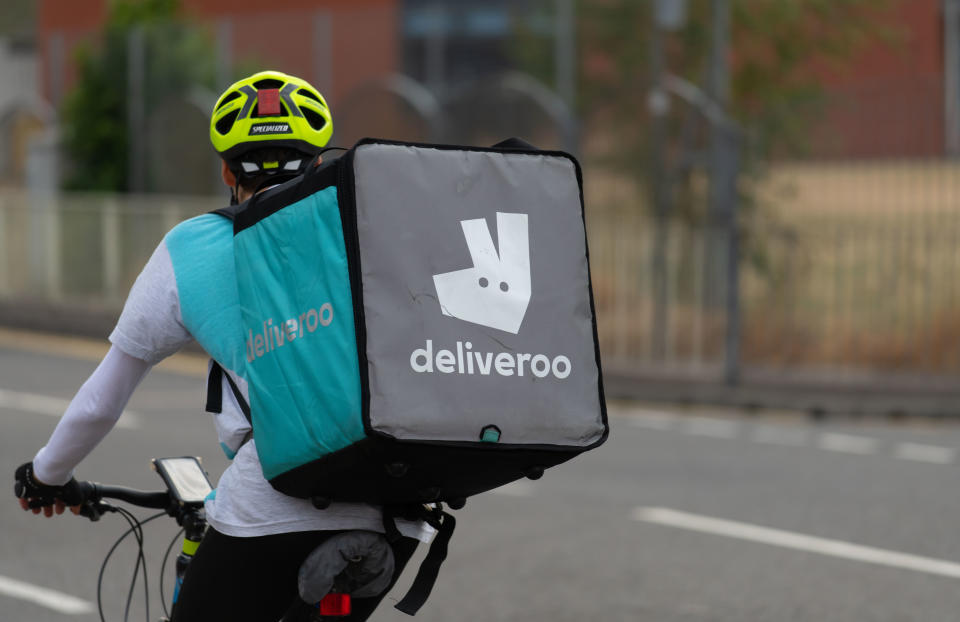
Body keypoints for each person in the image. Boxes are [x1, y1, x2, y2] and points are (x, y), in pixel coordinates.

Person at [13, 70, 426, 621]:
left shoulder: (192, 247)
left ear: (228, 170)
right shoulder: (372, 222)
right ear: (321, 163)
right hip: (400, 498)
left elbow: (101, 402)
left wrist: (47, 476)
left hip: (276, 497)